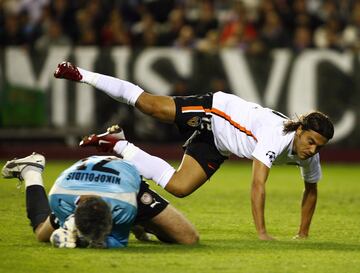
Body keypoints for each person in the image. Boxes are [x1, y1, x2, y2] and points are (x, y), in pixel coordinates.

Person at [54, 62, 334, 241]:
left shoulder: (309, 152)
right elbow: (258, 184)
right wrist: (262, 233)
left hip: (220, 143)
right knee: (149, 105)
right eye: (310, 141)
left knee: (179, 187)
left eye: (319, 146)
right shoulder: (278, 135)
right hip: (216, 111)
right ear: (299, 130)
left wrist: (303, 234)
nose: (312, 149)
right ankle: (80, 74)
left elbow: (311, 190)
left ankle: (117, 144)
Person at [1, 152, 199, 248]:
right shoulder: (59, 198)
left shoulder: (126, 206)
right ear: (74, 210)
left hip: (124, 184)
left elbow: (117, 243)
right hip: (73, 184)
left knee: (187, 238)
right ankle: (31, 171)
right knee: (41, 234)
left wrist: (77, 241)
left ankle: (140, 225)